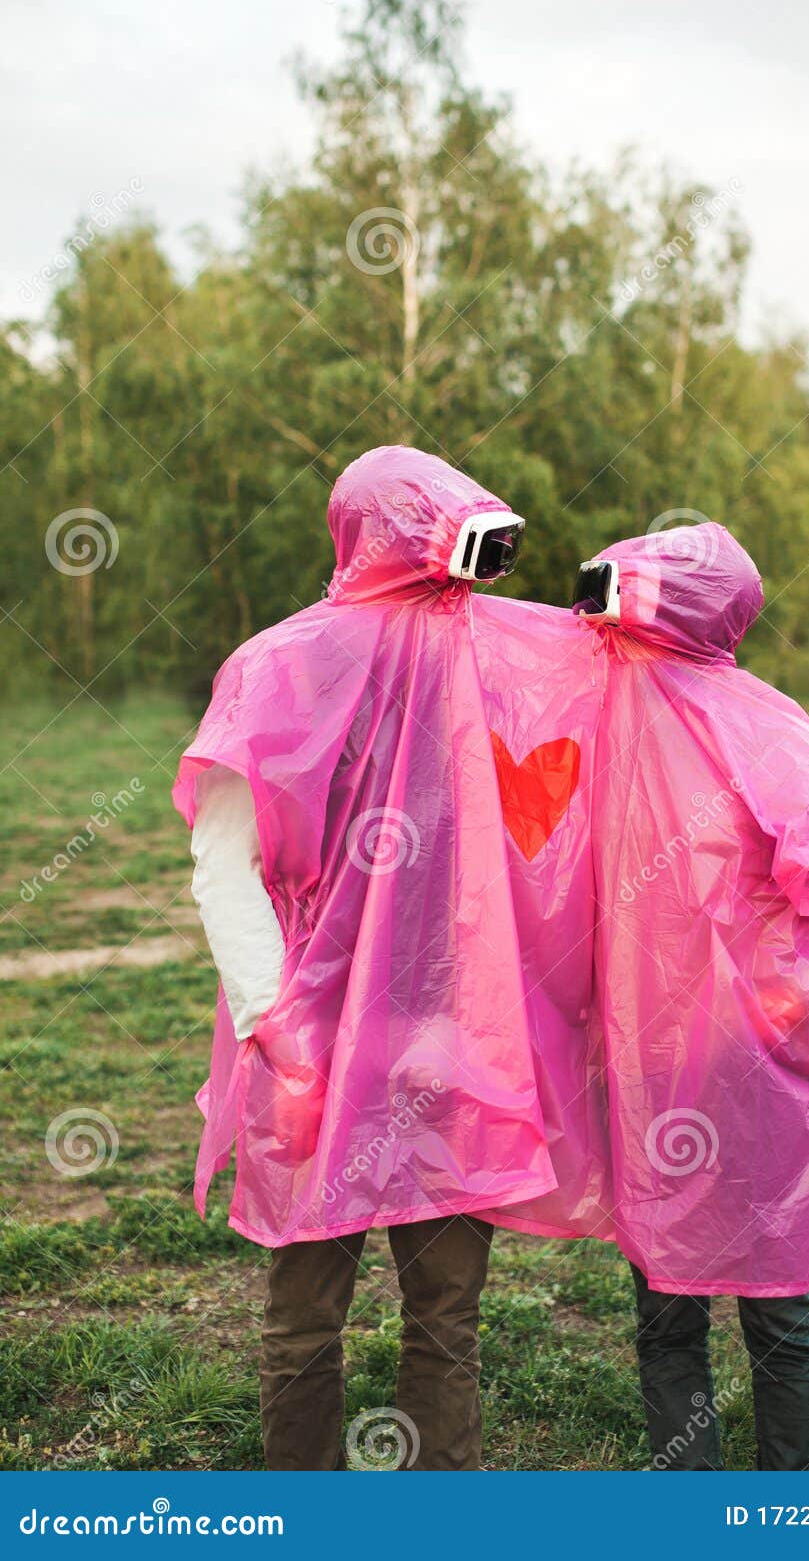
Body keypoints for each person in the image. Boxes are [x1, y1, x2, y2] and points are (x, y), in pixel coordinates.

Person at [174, 446, 555, 1472]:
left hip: (453, 1023)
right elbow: (223, 861)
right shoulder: (282, 666)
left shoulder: (489, 653)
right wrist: (277, 1025)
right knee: (306, 1310)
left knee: (448, 1311)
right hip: (319, 1027)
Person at [569, 523, 809, 1470]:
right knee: (663, 1307)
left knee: (776, 1311)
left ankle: (788, 1507)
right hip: (647, 1071)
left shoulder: (765, 727)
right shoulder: (601, 708)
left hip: (752, 1073)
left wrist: (806, 1003)